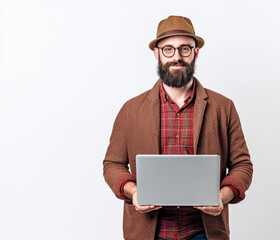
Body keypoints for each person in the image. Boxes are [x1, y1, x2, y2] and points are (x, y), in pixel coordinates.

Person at [103, 15, 253, 240]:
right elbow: (112, 164)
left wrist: (221, 197)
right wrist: (134, 193)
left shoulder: (223, 107)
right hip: (148, 232)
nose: (177, 57)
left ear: (196, 52)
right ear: (157, 53)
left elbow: (242, 165)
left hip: (204, 231)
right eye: (168, 49)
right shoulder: (131, 109)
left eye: (184, 49)